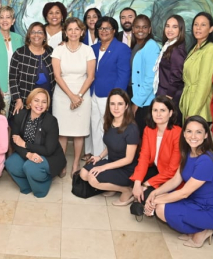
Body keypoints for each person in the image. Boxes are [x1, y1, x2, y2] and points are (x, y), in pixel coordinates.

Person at [144, 116, 213, 248]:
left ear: (206, 135)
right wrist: (154, 194)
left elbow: (184, 193)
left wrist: (154, 202)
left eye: (198, 132)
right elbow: (175, 180)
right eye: (189, 131)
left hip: (211, 211)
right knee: (160, 197)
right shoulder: (188, 152)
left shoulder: (206, 160)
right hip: (194, 202)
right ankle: (194, 229)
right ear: (184, 134)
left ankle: (203, 230)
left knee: (161, 207)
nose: (193, 136)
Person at [80, 88, 140, 206]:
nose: (116, 108)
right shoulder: (109, 122)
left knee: (93, 179)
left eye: (120, 104)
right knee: (83, 173)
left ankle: (126, 190)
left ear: (126, 106)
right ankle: (114, 187)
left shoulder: (132, 129)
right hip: (112, 163)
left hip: (126, 170)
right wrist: (99, 156)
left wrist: (104, 167)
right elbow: (111, 144)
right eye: (112, 104)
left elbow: (129, 159)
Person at [51, 17, 96, 175]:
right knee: (62, 132)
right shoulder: (59, 49)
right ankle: (62, 162)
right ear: (65, 32)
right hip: (62, 95)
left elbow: (90, 76)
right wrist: (72, 96)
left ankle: (76, 163)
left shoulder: (87, 50)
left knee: (79, 132)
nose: (73, 32)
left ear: (82, 31)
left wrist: (79, 96)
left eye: (77, 29)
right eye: (70, 29)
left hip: (82, 94)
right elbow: (57, 76)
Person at [6, 88, 67, 198]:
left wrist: (25, 145)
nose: (40, 104)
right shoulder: (20, 116)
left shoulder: (51, 121)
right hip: (28, 152)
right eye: (36, 100)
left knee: (30, 167)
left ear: (47, 104)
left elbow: (49, 150)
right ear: (29, 101)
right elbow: (15, 142)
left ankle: (42, 185)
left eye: (44, 102)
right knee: (11, 163)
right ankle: (28, 185)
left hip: (50, 157)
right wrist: (28, 154)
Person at [86, 16, 131, 159]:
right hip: (93, 93)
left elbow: (123, 75)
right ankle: (97, 157)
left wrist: (116, 97)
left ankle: (108, 158)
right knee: (95, 126)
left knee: (107, 128)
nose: (103, 31)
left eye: (107, 28)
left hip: (110, 95)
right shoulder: (92, 49)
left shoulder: (121, 48)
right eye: (100, 28)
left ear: (114, 30)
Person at [131, 97, 181, 205]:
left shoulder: (177, 133)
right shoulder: (149, 130)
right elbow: (144, 157)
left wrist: (146, 184)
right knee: (134, 183)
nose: (158, 114)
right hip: (157, 170)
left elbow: (172, 170)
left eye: (162, 110)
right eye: (155, 110)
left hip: (172, 178)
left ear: (171, 113)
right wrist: (137, 183)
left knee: (144, 198)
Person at [180, 12, 213, 123]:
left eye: (203, 25)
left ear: (211, 29)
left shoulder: (210, 49)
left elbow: (204, 85)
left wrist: (192, 113)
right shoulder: (195, 48)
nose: (198, 28)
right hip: (189, 101)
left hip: (200, 109)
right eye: (196, 24)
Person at [9, 22, 55, 115]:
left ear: (45, 36)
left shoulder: (51, 52)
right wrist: (18, 99)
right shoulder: (20, 53)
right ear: (29, 36)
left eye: (40, 32)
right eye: (33, 32)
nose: (36, 35)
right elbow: (13, 79)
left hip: (46, 101)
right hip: (25, 101)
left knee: (44, 127)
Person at [130, 14, 161, 135]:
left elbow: (150, 79)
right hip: (138, 97)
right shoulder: (137, 45)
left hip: (145, 102)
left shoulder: (151, 46)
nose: (140, 30)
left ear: (149, 29)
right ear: (133, 29)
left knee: (144, 137)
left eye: (144, 27)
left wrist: (136, 102)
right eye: (137, 27)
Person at [154, 15, 187, 125]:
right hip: (164, 93)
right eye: (167, 26)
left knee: (170, 129)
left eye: (174, 27)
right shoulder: (168, 45)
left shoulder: (177, 49)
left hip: (170, 96)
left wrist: (168, 97)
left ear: (180, 29)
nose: (169, 30)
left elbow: (177, 75)